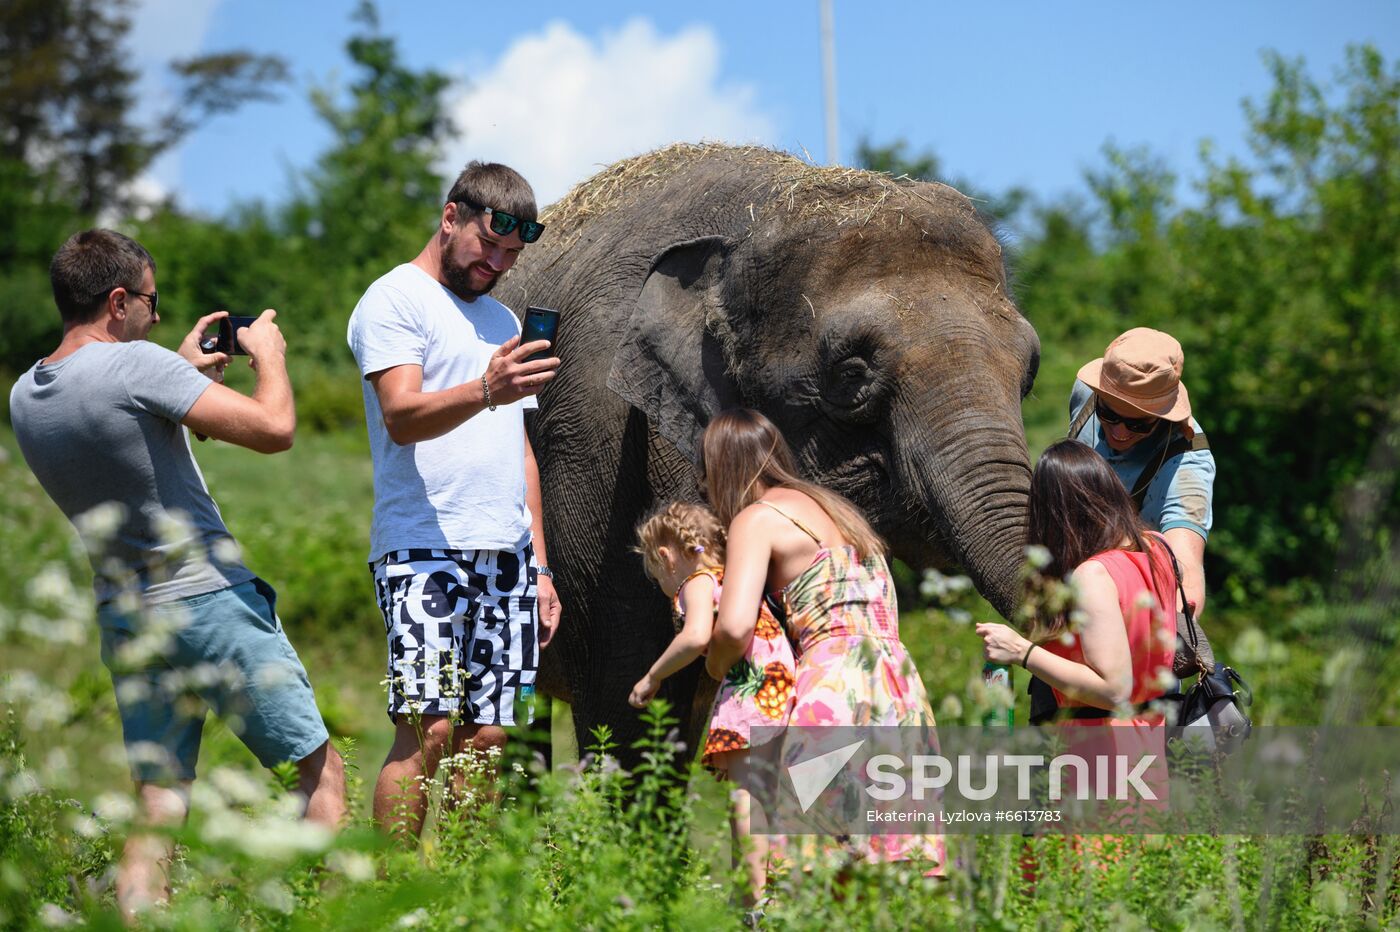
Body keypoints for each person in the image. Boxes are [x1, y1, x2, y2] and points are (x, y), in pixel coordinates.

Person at [8, 229, 344, 917]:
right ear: (119, 299)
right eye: (151, 304)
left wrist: (180, 374)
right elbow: (275, 430)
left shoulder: (25, 396)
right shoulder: (137, 366)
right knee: (318, 777)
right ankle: (301, 918)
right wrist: (270, 360)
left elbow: (121, 436)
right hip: (207, 601)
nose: (158, 320)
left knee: (160, 800)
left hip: (126, 616)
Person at [346, 161, 561, 841]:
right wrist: (484, 388)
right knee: (428, 728)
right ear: (451, 216)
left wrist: (543, 568)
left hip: (509, 557)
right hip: (422, 549)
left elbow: (518, 449)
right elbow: (402, 416)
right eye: (487, 245)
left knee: (491, 735)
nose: (496, 263)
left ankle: (465, 902)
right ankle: (394, 895)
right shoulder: (393, 299)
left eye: (510, 254)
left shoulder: (500, 319)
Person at [703, 408, 944, 884]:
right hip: (896, 682)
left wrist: (715, 665)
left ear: (721, 470)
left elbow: (733, 628)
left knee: (809, 855)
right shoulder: (840, 512)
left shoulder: (757, 517)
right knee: (889, 862)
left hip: (834, 683)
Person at [976, 440, 1176, 812]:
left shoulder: (1093, 575)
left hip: (1098, 769)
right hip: (1148, 756)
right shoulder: (1158, 550)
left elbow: (1113, 687)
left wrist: (1022, 652)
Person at [628, 500, 796, 903]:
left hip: (753, 690)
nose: (661, 585)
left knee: (746, 797)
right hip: (782, 688)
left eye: (655, 574)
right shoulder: (736, 580)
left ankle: (757, 900)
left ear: (666, 558)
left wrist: (653, 676)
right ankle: (776, 890)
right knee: (771, 795)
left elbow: (696, 636)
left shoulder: (696, 583)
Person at [1068, 327, 1214, 616]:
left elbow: (1187, 570)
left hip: (1128, 605)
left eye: (1139, 424)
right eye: (1109, 414)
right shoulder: (1086, 393)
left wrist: (1171, 637)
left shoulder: (1187, 464)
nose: (1120, 432)